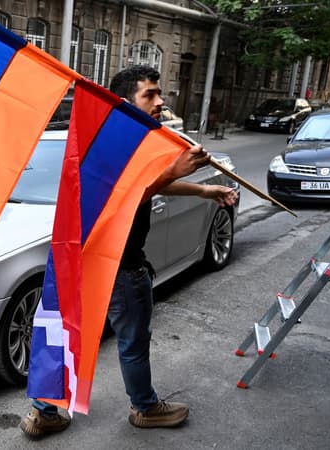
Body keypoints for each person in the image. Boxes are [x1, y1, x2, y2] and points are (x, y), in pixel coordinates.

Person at [20, 65, 238, 438]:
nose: (160, 100)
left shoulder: (107, 137)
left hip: (81, 255)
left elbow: (144, 186)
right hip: (117, 262)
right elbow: (122, 200)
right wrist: (172, 171)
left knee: (60, 331)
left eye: (159, 93)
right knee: (124, 340)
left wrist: (204, 190)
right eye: (150, 94)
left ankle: (45, 412)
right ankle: (146, 407)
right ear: (124, 101)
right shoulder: (115, 142)